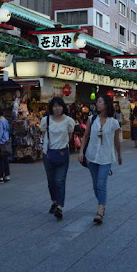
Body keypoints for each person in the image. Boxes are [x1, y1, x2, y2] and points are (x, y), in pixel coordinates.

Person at [78, 94, 122, 225]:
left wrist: (119, 155)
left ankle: (100, 211)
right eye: (97, 102)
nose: (97, 104)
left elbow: (116, 141)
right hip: (92, 156)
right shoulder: (92, 119)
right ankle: (101, 203)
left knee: (101, 184)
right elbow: (85, 136)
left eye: (100, 102)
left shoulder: (114, 123)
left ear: (106, 105)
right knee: (95, 185)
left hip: (106, 157)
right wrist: (81, 151)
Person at [41, 97, 75, 220]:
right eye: (55, 106)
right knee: (51, 181)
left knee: (59, 181)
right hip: (48, 154)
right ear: (51, 107)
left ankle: (59, 207)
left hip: (62, 154)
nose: (57, 108)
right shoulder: (46, 120)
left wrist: (61, 145)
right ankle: (54, 201)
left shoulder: (69, 121)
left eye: (59, 105)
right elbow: (43, 135)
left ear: (63, 107)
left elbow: (69, 135)